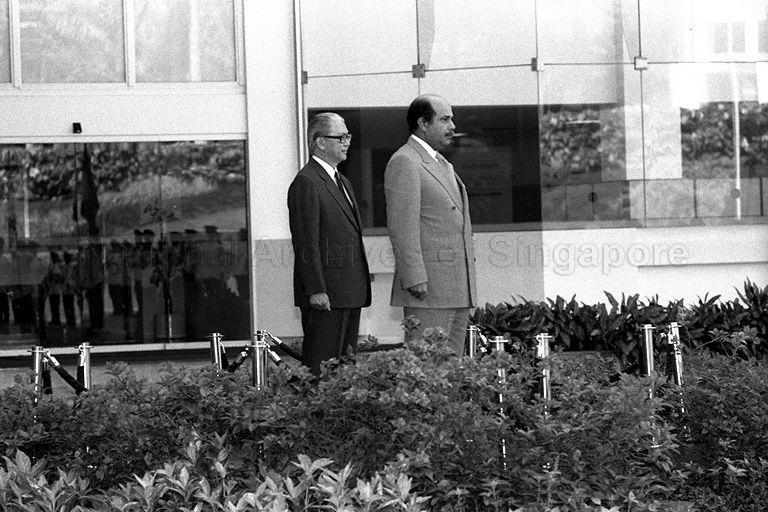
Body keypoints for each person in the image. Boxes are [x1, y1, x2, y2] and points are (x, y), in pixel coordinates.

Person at [384, 94, 477, 354]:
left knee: (451, 373)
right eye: (445, 119)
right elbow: (402, 227)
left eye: (452, 119)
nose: (453, 126)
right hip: (428, 290)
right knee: (427, 370)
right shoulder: (406, 161)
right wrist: (414, 278)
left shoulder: (441, 162)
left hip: (456, 286)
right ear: (423, 123)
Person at [288, 112, 371, 374]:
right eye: (341, 137)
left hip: (349, 291)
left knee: (343, 370)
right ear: (320, 142)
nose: (347, 142)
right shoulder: (307, 181)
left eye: (348, 136)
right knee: (320, 370)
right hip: (326, 295)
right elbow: (306, 241)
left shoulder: (342, 181)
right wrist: (316, 289)